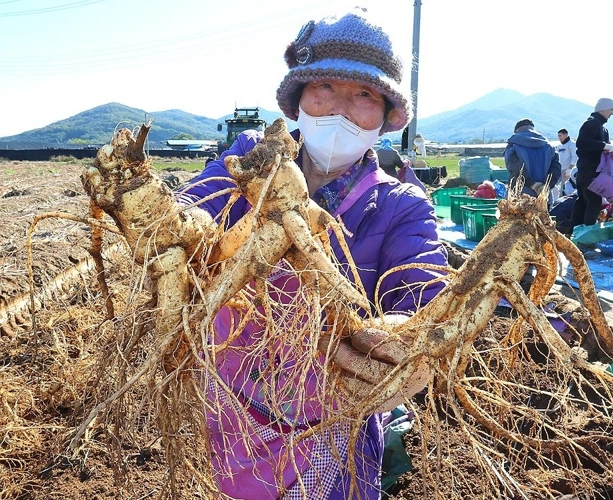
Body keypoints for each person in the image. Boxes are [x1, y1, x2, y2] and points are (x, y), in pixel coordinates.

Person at [178, 9, 448, 499]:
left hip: (331, 417)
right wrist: (167, 229)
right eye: (324, 85)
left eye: (364, 94)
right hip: (228, 400)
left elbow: (424, 303)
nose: (341, 108)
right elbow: (183, 220)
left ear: (387, 115)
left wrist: (408, 352)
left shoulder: (401, 206)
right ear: (298, 99)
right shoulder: (248, 161)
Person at [567, 98, 613, 233]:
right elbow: (582, 143)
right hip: (589, 171)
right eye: (611, 110)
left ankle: (575, 234)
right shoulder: (591, 124)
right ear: (604, 109)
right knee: (593, 202)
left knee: (583, 202)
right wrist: (604, 145)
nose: (612, 114)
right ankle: (586, 236)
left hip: (588, 171)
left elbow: (605, 148)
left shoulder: (602, 128)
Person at [503, 118, 561, 203]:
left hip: (519, 198)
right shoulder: (549, 146)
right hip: (544, 198)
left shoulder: (513, 145)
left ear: (517, 130)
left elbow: (515, 168)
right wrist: (546, 186)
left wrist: (533, 185)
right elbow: (556, 169)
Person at [554, 128, 577, 197]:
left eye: (560, 136)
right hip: (560, 169)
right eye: (558, 136)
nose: (559, 138)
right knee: (555, 186)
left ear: (566, 135)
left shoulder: (572, 144)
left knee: (563, 187)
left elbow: (574, 157)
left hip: (568, 170)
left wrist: (570, 169)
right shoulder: (559, 146)